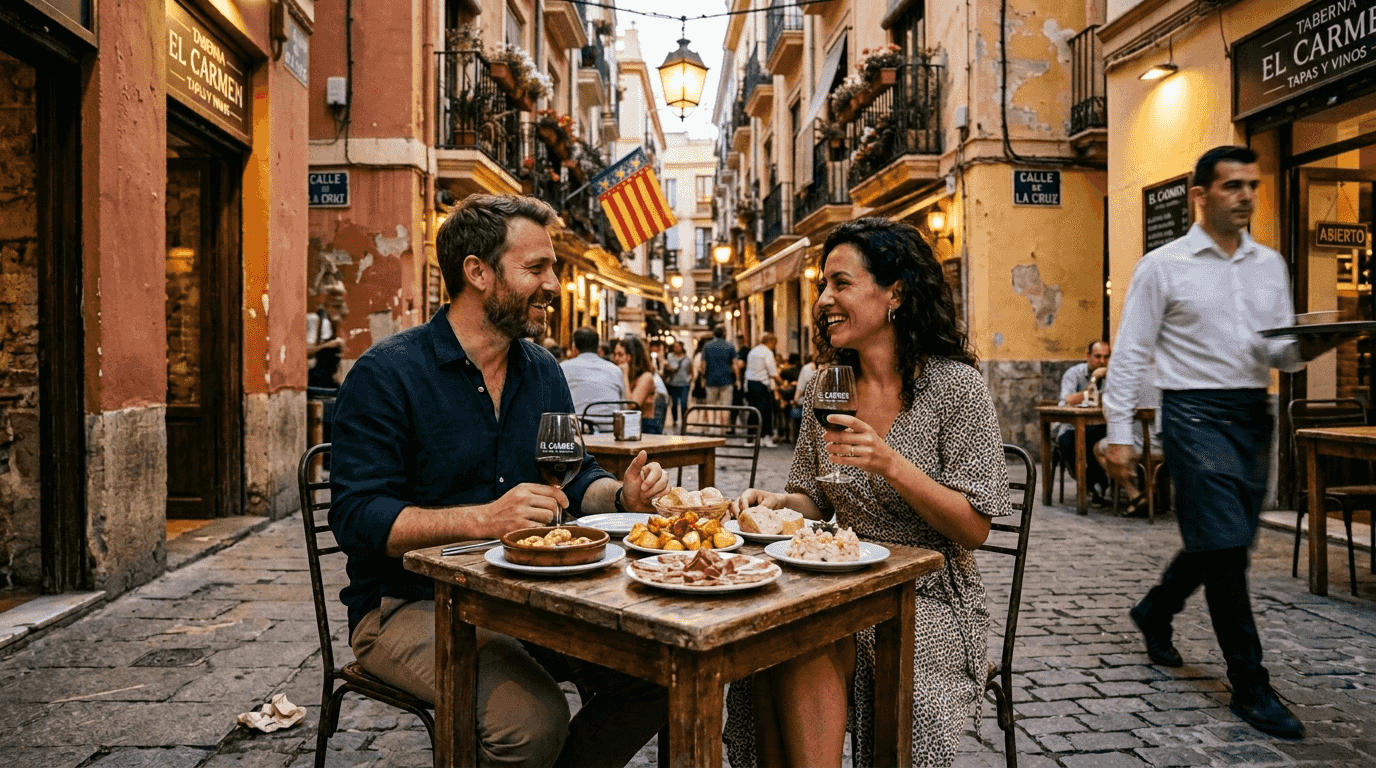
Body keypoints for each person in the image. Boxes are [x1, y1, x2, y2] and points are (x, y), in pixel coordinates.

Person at [329, 194, 669, 768]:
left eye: (552, 268)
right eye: (536, 268)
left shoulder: (540, 370)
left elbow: (573, 472)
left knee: (657, 676)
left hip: (528, 594)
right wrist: (486, 519)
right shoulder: (387, 374)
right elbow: (358, 518)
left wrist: (622, 496)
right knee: (533, 725)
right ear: (478, 273)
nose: (555, 284)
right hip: (408, 604)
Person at [723, 218, 1011, 768]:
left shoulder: (955, 387)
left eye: (841, 283)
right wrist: (780, 505)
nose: (824, 299)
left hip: (927, 593)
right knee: (784, 639)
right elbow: (815, 500)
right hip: (838, 581)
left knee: (806, 639)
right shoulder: (825, 387)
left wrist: (891, 464)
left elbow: (974, 528)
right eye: (822, 286)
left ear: (895, 292)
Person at [1104, 146, 1349, 741]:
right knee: (1225, 547)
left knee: (1223, 542)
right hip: (1191, 413)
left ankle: (1155, 610)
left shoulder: (1270, 264)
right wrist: (1118, 434)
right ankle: (1251, 686)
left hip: (1252, 411)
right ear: (1200, 194)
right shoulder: (1163, 265)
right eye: (1233, 186)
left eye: (1252, 185)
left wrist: (1311, 345)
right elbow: (1132, 350)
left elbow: (1276, 351)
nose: (1246, 196)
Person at [1093, 370, 1161, 517]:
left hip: (1137, 447)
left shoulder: (1126, 377)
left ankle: (1134, 494)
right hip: (1169, 444)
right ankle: (1151, 494)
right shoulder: (1165, 373)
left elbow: (1109, 414)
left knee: (1098, 449)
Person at [1056, 340, 1112, 503]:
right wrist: (1093, 381)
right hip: (1071, 427)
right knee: (1070, 443)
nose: (1102, 361)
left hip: (1100, 426)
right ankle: (1090, 485)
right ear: (1088, 356)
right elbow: (1066, 401)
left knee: (1097, 439)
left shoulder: (1112, 375)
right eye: (1098, 356)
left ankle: (1099, 485)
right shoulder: (1074, 373)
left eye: (1106, 357)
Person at [561, 326, 626, 432]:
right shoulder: (615, 370)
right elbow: (623, 406)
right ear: (598, 348)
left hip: (578, 431)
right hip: (611, 431)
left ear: (574, 347)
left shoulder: (563, 368)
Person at [613, 336, 662, 435]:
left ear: (632, 356)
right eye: (615, 354)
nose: (616, 358)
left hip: (645, 427)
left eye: (620, 354)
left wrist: (625, 375)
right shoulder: (624, 375)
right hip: (626, 425)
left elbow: (631, 405)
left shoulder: (646, 377)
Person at [743, 333, 782, 449]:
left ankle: (751, 438)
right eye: (774, 343)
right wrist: (781, 383)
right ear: (770, 342)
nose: (774, 346)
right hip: (761, 384)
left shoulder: (753, 351)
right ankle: (766, 437)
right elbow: (772, 372)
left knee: (753, 411)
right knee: (766, 412)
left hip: (750, 383)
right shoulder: (767, 352)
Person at [701, 326, 738, 423]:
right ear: (724, 334)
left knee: (710, 406)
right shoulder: (730, 346)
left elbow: (703, 365)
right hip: (727, 380)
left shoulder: (707, 346)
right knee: (725, 407)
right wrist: (738, 380)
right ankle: (723, 430)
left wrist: (702, 378)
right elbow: (735, 365)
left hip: (710, 380)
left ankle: (710, 428)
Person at [663, 340, 691, 430]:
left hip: (684, 384)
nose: (676, 348)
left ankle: (684, 420)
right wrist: (669, 369)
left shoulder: (687, 358)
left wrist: (689, 379)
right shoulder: (669, 356)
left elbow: (690, 370)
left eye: (678, 346)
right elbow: (665, 367)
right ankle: (675, 420)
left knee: (684, 403)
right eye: (675, 346)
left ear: (682, 347)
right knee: (674, 403)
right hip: (673, 383)